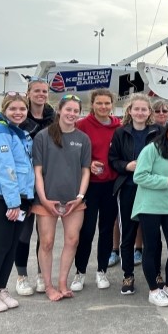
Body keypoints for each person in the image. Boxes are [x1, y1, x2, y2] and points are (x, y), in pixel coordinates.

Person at [0, 93, 35, 312]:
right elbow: (5, 169)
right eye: (13, 109)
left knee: (11, 247)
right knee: (0, 245)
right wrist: (13, 203)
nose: (18, 112)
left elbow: (26, 172)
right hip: (0, 197)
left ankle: (0, 289)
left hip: (18, 199)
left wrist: (26, 200)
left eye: (22, 109)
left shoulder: (19, 134)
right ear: (4, 110)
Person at [32, 94, 91, 301]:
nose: (72, 114)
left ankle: (63, 282)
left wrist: (80, 196)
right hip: (47, 200)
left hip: (74, 201)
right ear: (59, 110)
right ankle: (48, 286)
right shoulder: (43, 136)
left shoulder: (83, 139)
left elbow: (86, 171)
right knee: (46, 242)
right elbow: (37, 171)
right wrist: (44, 199)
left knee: (72, 240)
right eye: (69, 110)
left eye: (76, 111)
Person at [132, 117, 168, 307]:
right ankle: (154, 290)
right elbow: (139, 176)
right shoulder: (152, 149)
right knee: (151, 248)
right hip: (150, 206)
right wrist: (167, 181)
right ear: (167, 129)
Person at [108, 94, 162, 295]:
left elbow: (166, 156)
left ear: (149, 112)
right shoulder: (121, 133)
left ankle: (156, 273)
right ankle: (128, 274)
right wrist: (126, 166)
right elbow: (113, 160)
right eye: (136, 109)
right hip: (129, 187)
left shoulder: (158, 131)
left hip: (151, 190)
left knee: (153, 236)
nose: (140, 112)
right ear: (129, 111)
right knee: (128, 234)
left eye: (144, 109)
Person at [71, 89, 121, 292]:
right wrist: (88, 164)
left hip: (111, 185)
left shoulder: (119, 127)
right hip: (89, 185)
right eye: (99, 103)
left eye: (107, 103)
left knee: (107, 230)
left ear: (112, 104)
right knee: (87, 230)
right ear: (92, 104)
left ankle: (101, 271)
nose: (103, 107)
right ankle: (80, 272)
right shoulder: (82, 125)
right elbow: (72, 152)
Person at [14, 78, 55, 296]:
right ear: (28, 93)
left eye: (44, 91)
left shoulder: (52, 118)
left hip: (46, 182)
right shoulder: (20, 117)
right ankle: (21, 276)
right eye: (37, 91)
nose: (41, 94)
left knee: (44, 233)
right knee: (23, 232)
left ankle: (42, 274)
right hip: (23, 184)